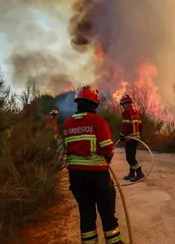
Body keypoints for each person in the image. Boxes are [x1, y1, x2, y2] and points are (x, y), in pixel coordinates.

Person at [62, 85, 123, 244]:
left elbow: (67, 149)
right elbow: (107, 148)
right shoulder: (98, 121)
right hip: (97, 175)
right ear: (94, 104)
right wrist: (108, 157)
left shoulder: (67, 124)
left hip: (76, 177)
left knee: (86, 213)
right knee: (106, 211)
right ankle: (114, 242)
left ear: (78, 102)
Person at [119, 94, 145, 182]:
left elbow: (126, 125)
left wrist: (122, 135)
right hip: (136, 138)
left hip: (129, 139)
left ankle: (139, 173)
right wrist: (138, 134)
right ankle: (131, 173)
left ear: (124, 104)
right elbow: (141, 125)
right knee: (132, 156)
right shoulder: (135, 111)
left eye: (122, 105)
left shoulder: (126, 112)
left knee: (130, 158)